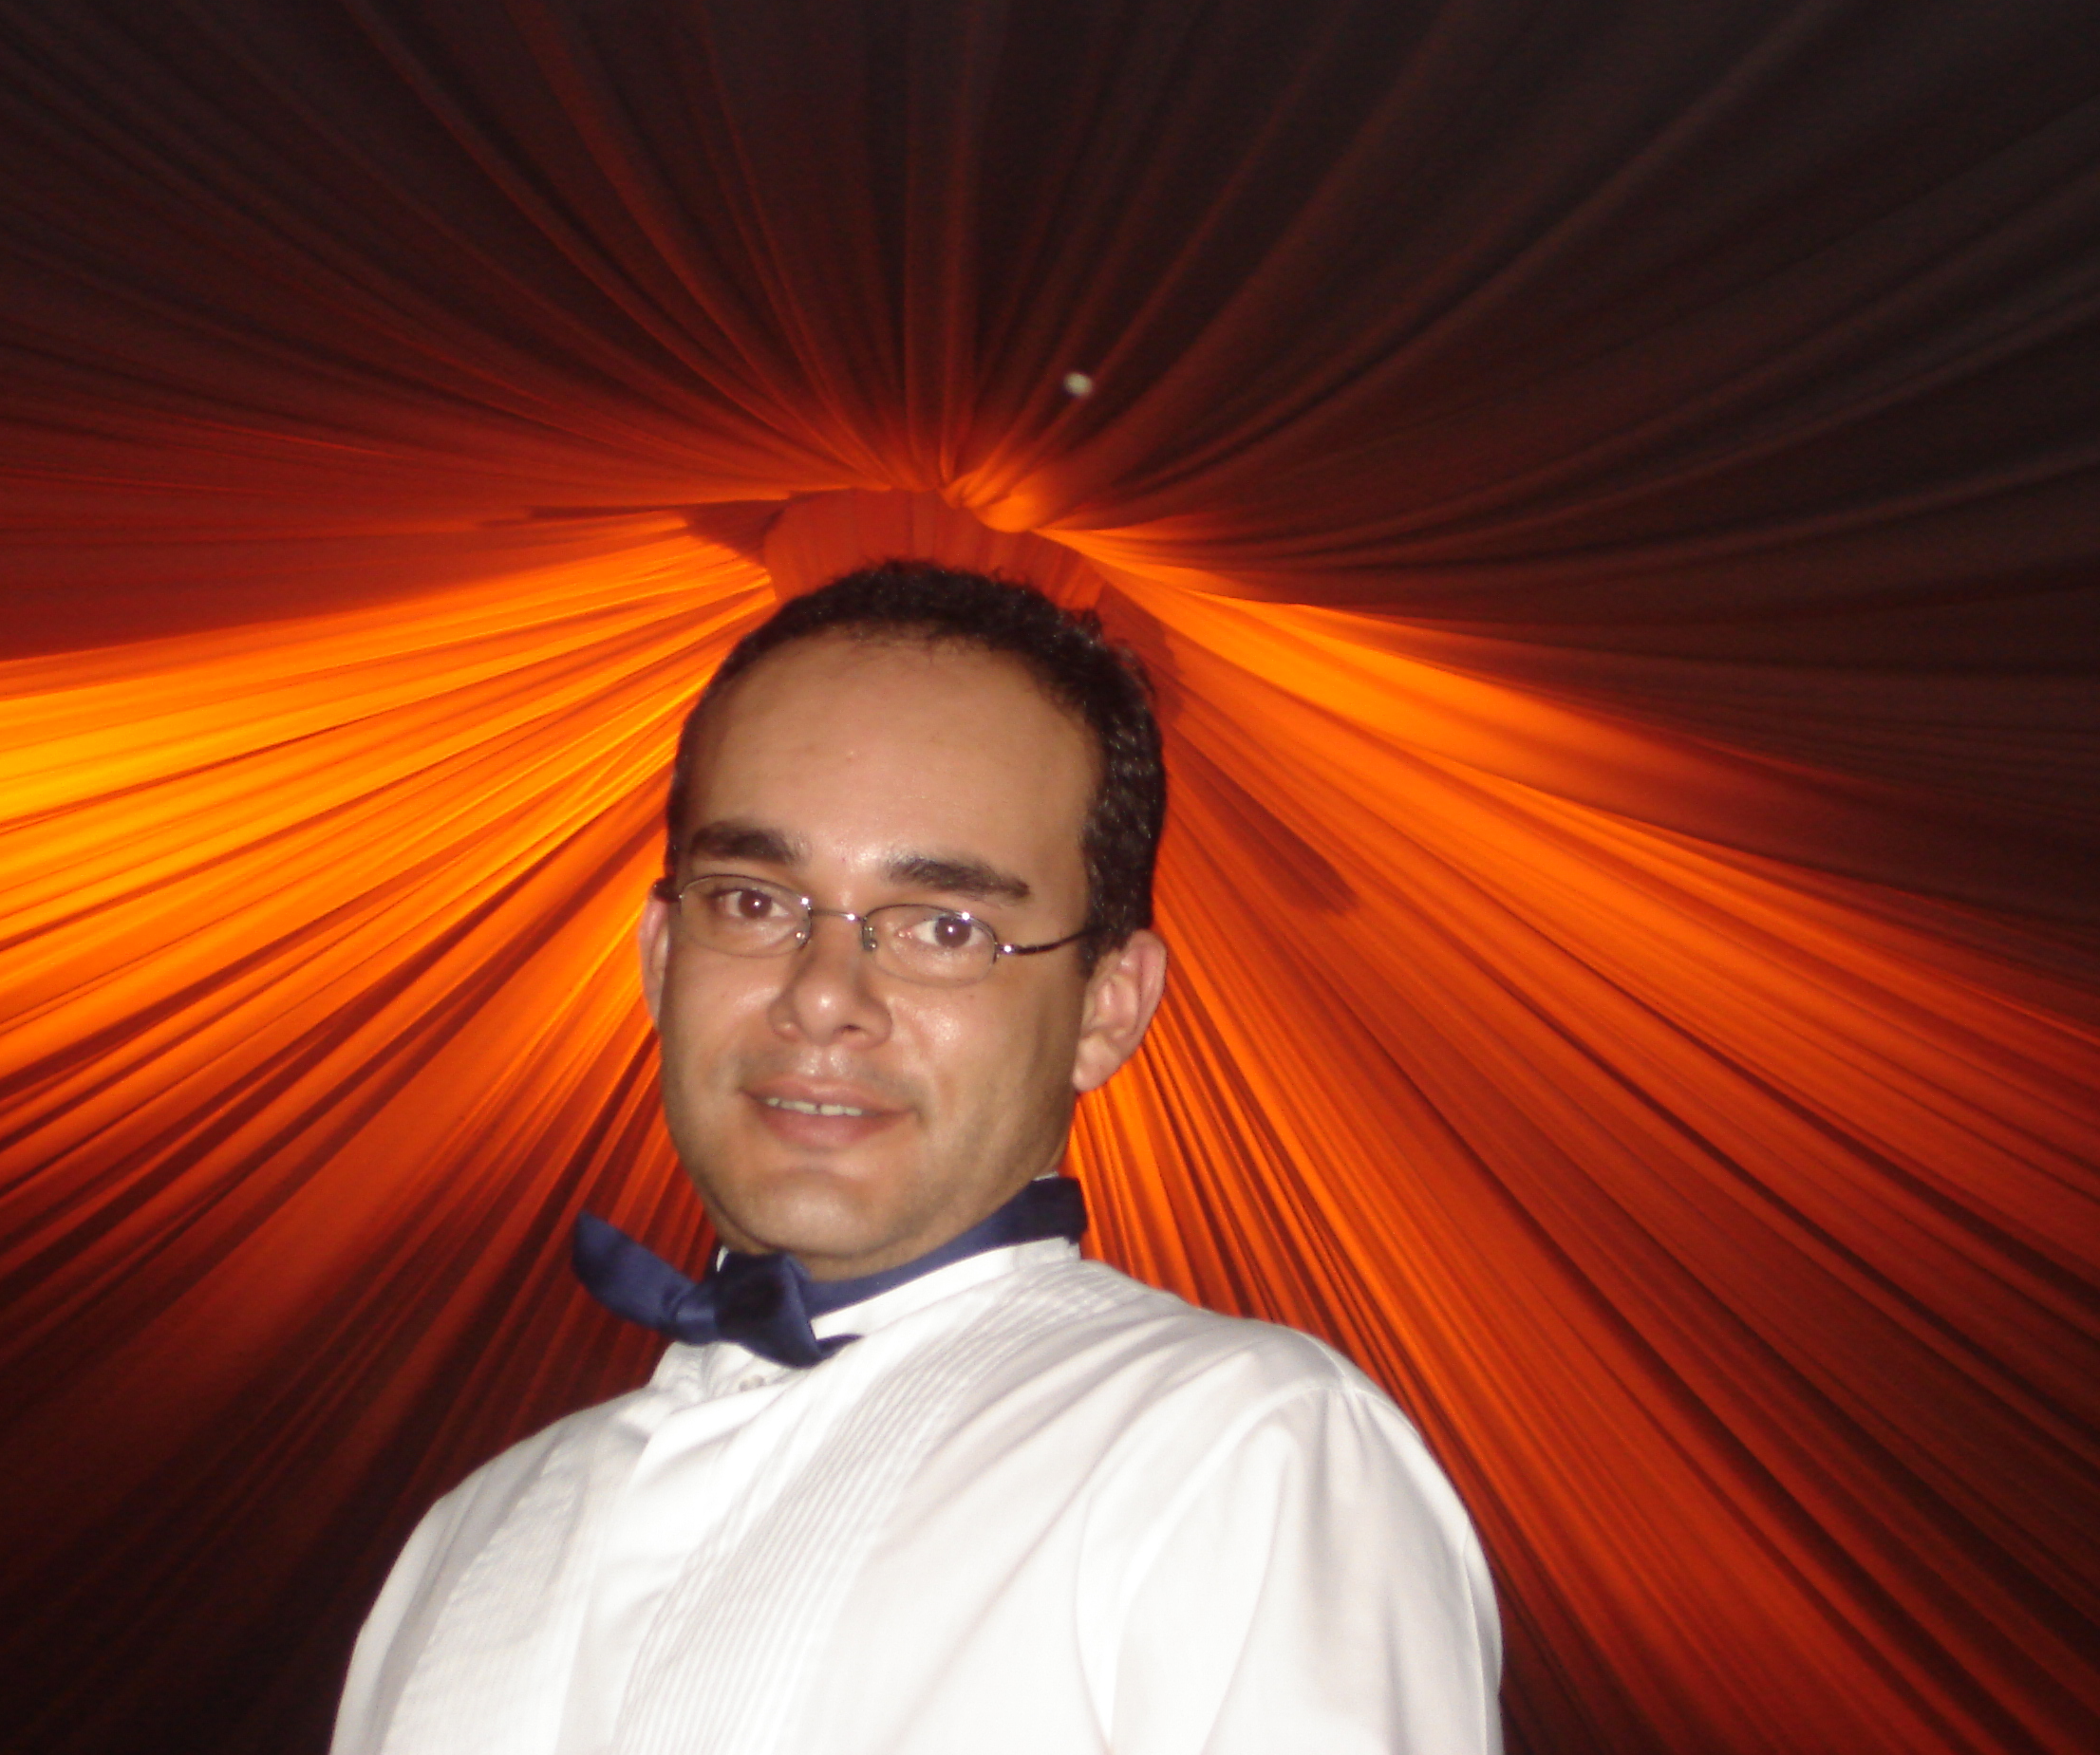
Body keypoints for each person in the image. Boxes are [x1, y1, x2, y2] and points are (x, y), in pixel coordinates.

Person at [331, 561, 1503, 1754]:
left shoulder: (1243, 1457)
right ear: (661, 958)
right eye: (752, 901)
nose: (821, 996)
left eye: (947, 926)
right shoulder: (465, 1540)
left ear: (1106, 1006)